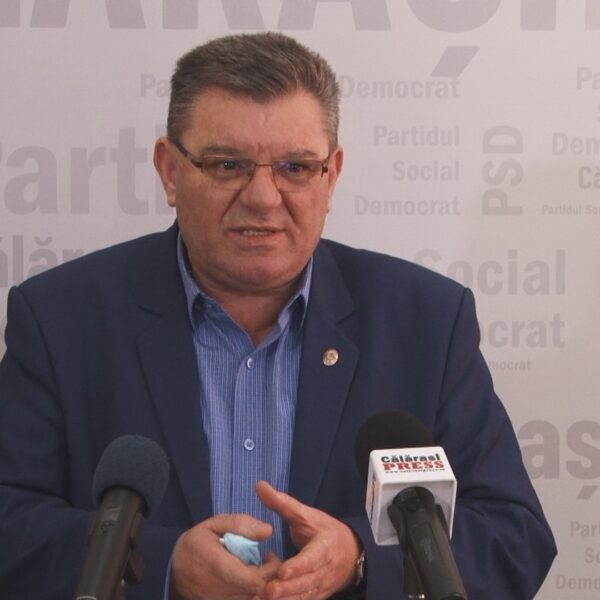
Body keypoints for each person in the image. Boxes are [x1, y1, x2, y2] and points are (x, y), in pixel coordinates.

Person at [0, 32, 556, 600]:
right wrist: (163, 566)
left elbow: (513, 534)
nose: (264, 197)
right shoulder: (59, 319)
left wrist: (360, 557)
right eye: (228, 164)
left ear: (331, 176)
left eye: (295, 167)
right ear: (170, 171)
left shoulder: (427, 323)